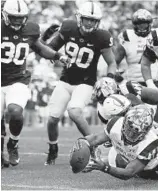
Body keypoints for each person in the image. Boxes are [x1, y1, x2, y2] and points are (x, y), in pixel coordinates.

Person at [41, 1, 118, 165]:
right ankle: (53, 147)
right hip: (65, 80)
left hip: (86, 82)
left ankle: (93, 147)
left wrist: (109, 78)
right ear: (79, 18)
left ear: (98, 21)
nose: (89, 22)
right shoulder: (68, 27)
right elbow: (50, 49)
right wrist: (49, 47)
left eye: (93, 19)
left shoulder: (102, 37)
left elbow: (111, 62)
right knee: (53, 118)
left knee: (74, 112)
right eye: (86, 19)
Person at [1, 0, 69, 167]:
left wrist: (58, 56)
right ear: (4, 15)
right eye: (14, 18)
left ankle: (13, 143)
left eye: (20, 18)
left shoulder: (30, 30)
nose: (17, 21)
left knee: (15, 111)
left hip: (17, 79)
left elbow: (38, 48)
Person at [114, 9, 157, 86]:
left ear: (150, 24)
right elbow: (115, 61)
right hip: (134, 81)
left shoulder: (156, 35)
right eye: (139, 24)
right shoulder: (127, 36)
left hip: (155, 80)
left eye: (144, 24)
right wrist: (116, 71)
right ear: (134, 25)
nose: (141, 27)